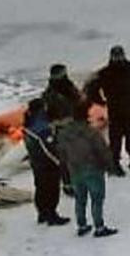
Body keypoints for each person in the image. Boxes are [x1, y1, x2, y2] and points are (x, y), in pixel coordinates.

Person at [56, 102, 119, 238]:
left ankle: (82, 225)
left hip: (74, 169)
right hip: (93, 169)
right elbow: (103, 151)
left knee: (80, 199)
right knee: (96, 198)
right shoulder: (91, 133)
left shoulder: (63, 134)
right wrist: (110, 167)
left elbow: (61, 153)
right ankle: (99, 227)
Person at [94, 45, 130, 174]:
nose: (118, 58)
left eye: (120, 55)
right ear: (111, 57)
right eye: (116, 56)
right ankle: (114, 163)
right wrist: (102, 101)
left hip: (129, 106)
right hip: (114, 109)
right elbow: (94, 88)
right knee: (115, 137)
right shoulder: (105, 72)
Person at [22, 98, 70, 226]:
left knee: (40, 188)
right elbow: (48, 147)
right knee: (52, 189)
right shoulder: (42, 127)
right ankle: (52, 215)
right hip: (47, 164)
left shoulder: (28, 124)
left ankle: (42, 213)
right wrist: (58, 160)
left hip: (36, 162)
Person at [43, 63, 83, 195]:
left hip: (73, 124)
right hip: (61, 128)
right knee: (65, 158)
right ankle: (68, 185)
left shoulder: (69, 87)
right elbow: (47, 114)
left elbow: (78, 101)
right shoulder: (50, 94)